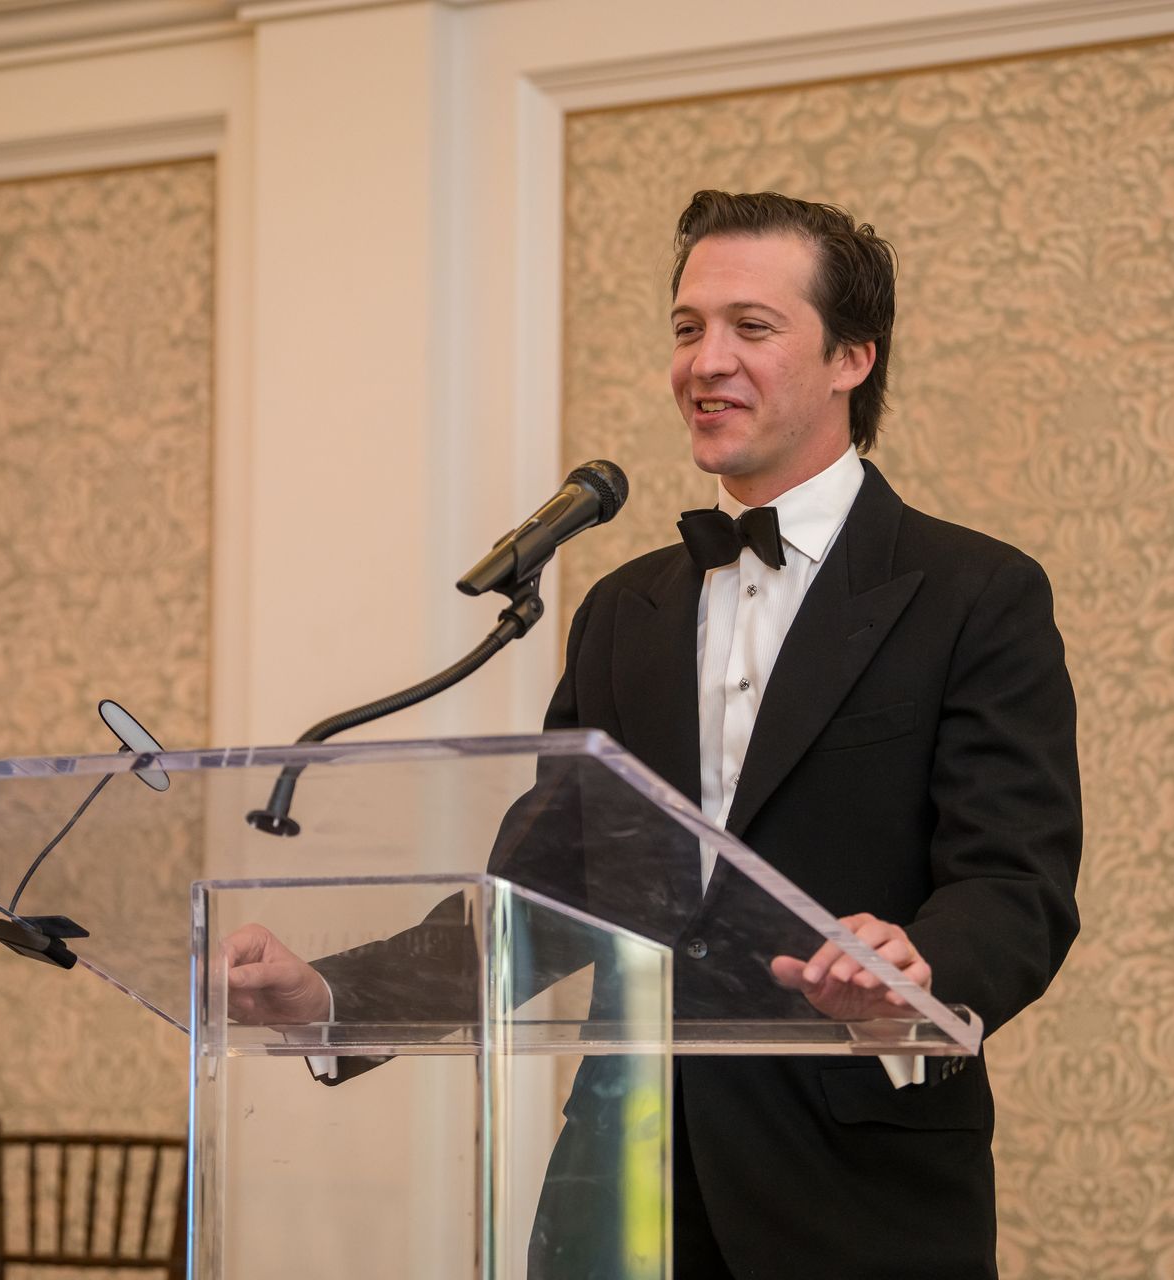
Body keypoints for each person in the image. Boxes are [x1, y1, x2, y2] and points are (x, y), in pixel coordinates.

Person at [225, 190, 1082, 1279]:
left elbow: (1017, 880)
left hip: (857, 1191)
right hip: (620, 1190)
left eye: (750, 327)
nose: (705, 361)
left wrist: (917, 970)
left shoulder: (976, 592)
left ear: (851, 358)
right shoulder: (623, 609)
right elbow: (544, 894)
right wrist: (336, 998)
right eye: (687, 328)